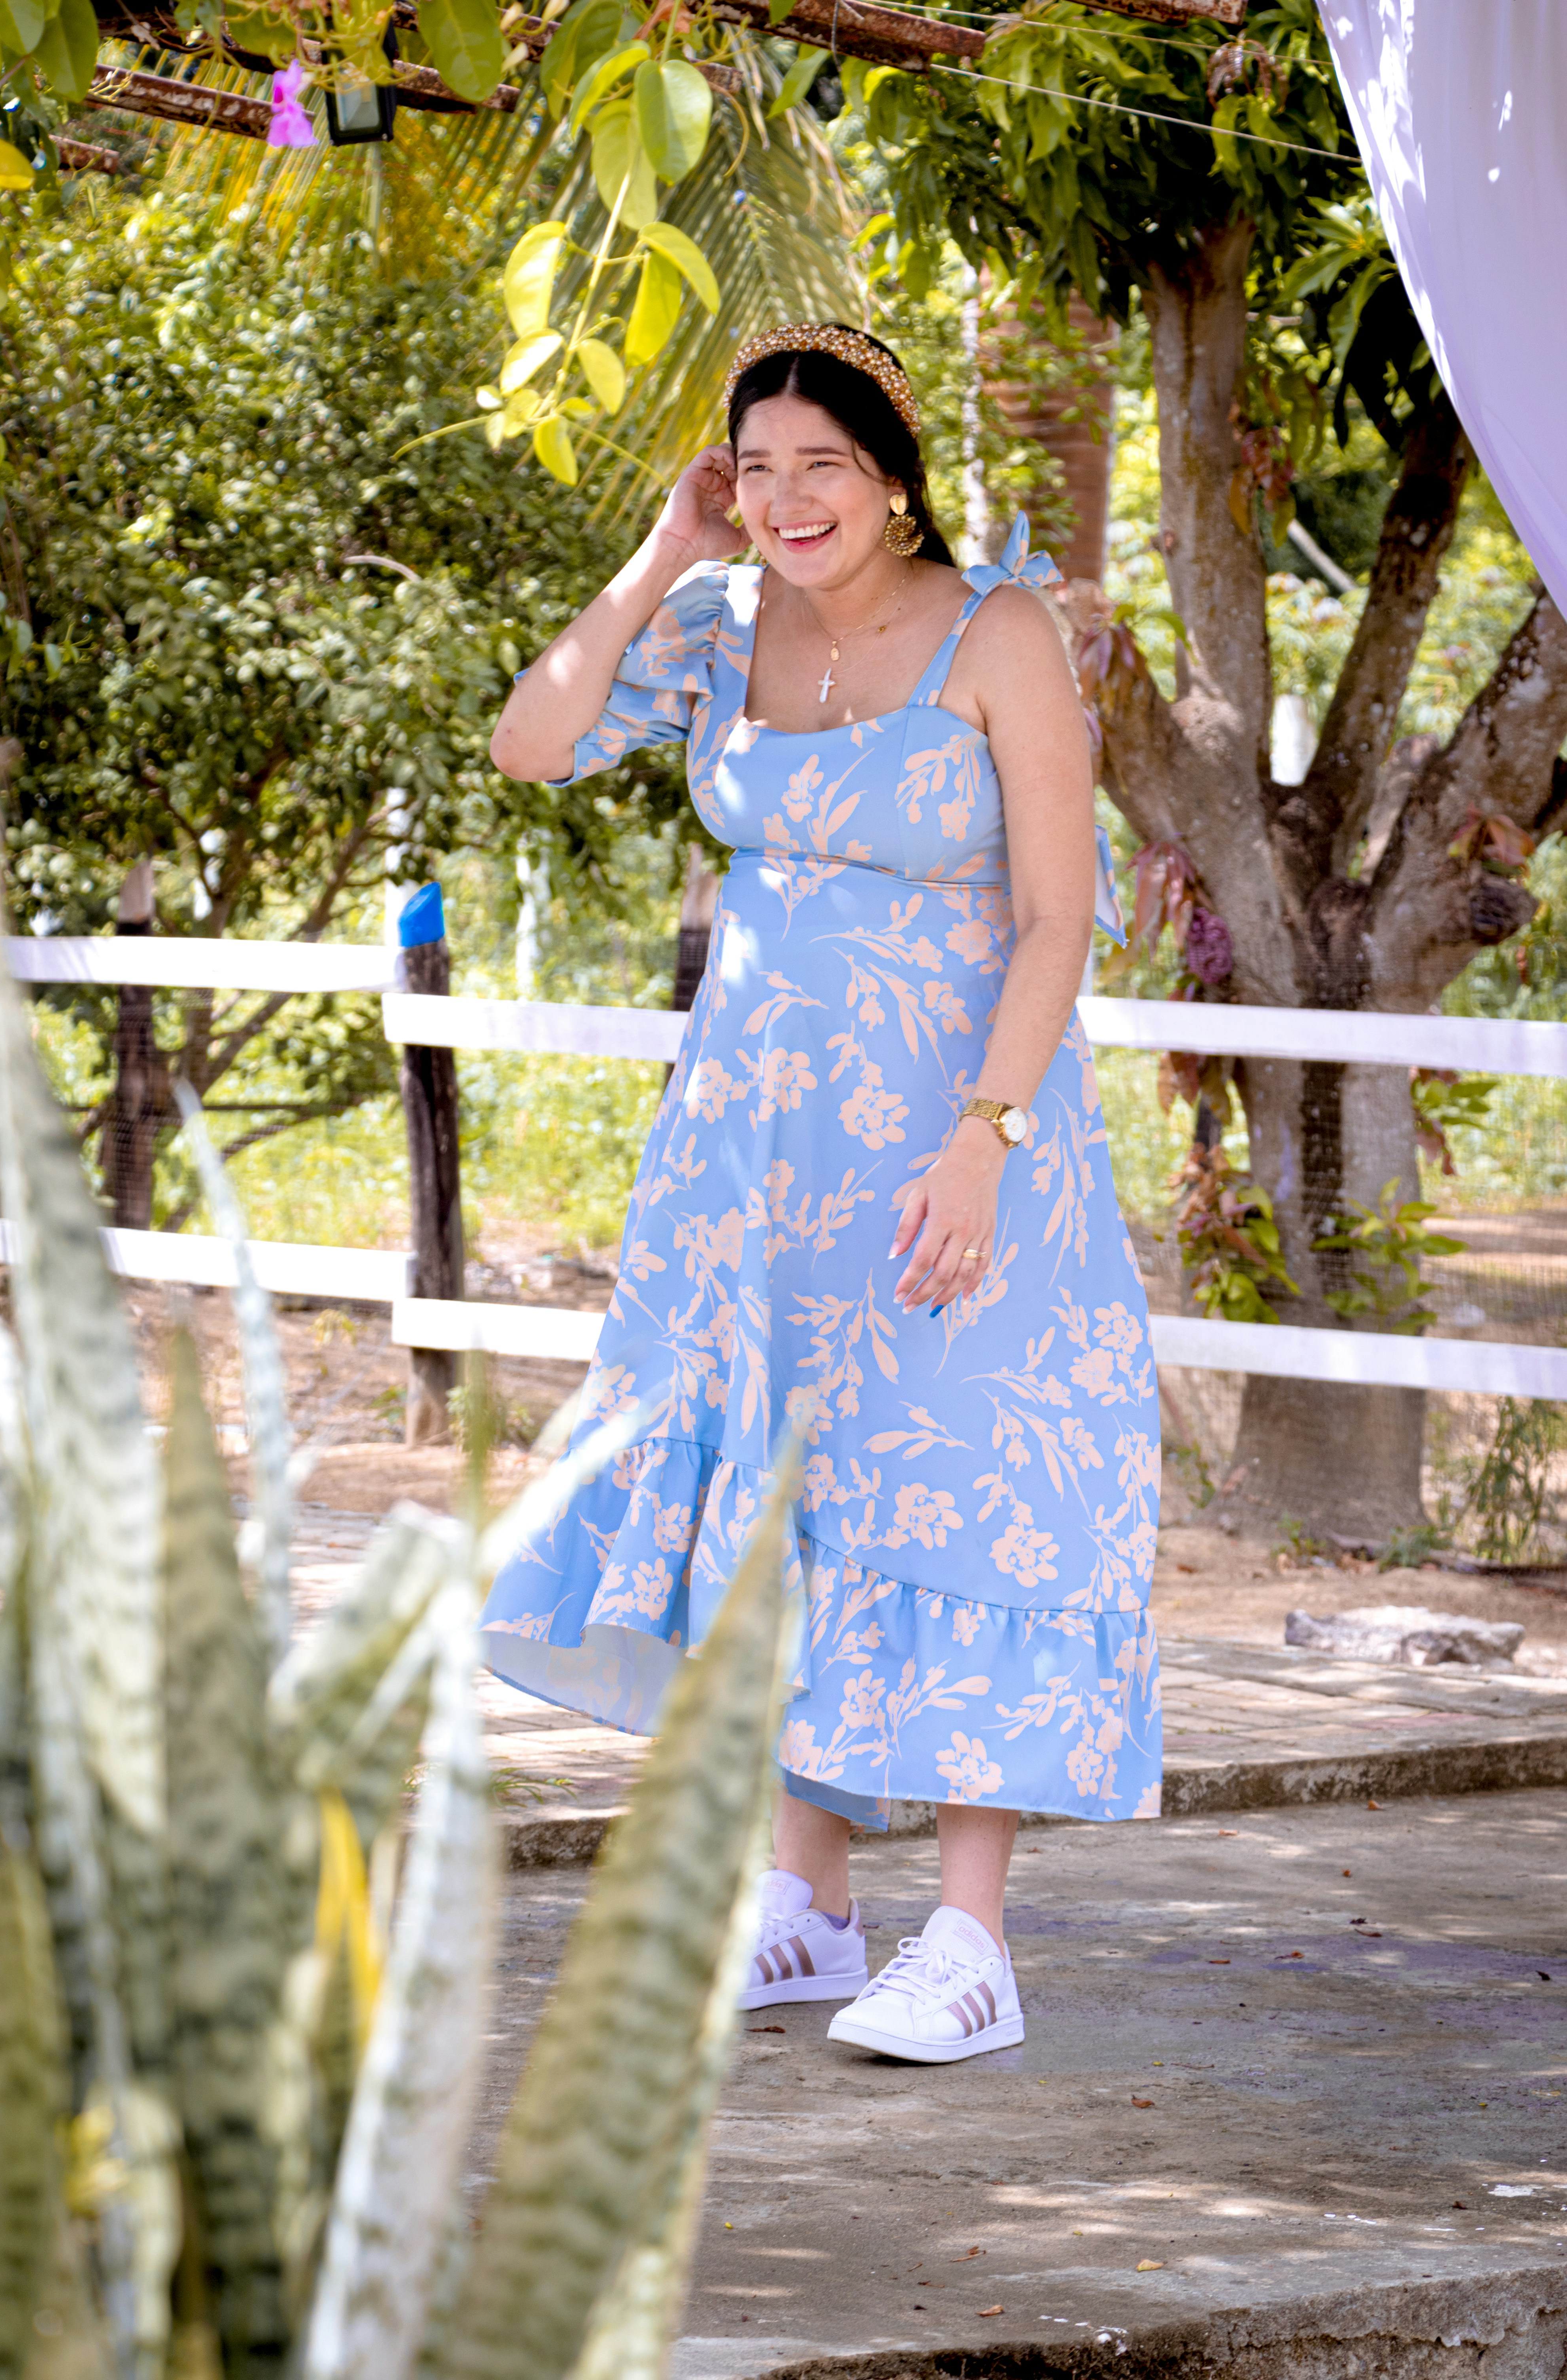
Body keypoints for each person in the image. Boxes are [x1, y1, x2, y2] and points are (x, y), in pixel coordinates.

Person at [482, 322, 1161, 2064]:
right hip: (749, 1160)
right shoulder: (717, 628)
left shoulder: (999, 632)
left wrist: (985, 1140)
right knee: (796, 1487)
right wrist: (659, 556)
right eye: (756, 467)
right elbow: (530, 745)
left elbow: (1058, 916)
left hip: (959, 1141)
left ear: (890, 477)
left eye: (822, 468)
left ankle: (973, 1941)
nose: (787, 501)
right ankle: (809, 1907)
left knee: (963, 1489)